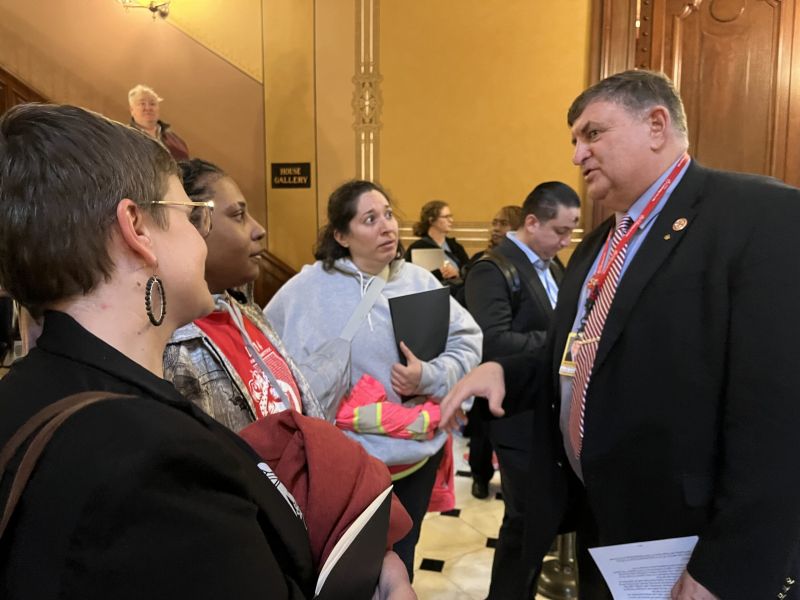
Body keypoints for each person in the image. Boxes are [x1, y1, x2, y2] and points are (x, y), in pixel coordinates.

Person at [0, 103, 414, 600]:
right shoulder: (154, 460)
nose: (201, 237)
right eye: (189, 215)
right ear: (137, 228)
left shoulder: (23, 390)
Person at [441, 69, 800, 600]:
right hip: (606, 529)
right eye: (574, 140)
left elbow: (780, 414)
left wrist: (728, 563)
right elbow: (584, 356)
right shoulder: (597, 245)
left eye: (592, 133)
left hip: (693, 545)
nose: (576, 154)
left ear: (656, 125)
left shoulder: (759, 216)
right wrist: (505, 370)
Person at [265, 180, 482, 578]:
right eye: (370, 219)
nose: (387, 226)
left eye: (388, 214)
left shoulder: (419, 281)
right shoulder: (303, 291)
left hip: (412, 461)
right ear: (341, 235)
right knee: (341, 569)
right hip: (339, 468)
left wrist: (428, 376)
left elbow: (468, 342)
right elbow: (267, 361)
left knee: (402, 559)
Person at [463, 182, 579, 600]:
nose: (566, 241)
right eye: (560, 231)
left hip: (549, 411)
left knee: (542, 516)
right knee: (525, 521)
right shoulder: (492, 269)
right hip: (513, 416)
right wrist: (562, 343)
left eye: (571, 231)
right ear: (532, 223)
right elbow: (492, 343)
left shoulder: (555, 264)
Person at [163, 158, 326, 430]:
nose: (258, 229)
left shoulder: (244, 309)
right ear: (194, 225)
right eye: (238, 215)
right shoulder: (173, 349)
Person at [404, 200, 469, 284]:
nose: (451, 220)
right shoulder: (417, 247)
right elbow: (409, 278)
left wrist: (457, 273)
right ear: (431, 220)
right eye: (446, 217)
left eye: (451, 216)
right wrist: (439, 273)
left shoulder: (456, 246)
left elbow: (469, 271)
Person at [128, 84, 190, 161]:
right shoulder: (124, 139)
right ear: (132, 110)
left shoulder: (176, 140)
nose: (148, 108)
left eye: (152, 104)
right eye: (142, 104)